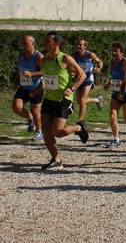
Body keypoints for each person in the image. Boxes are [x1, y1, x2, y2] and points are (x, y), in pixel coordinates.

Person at [39, 32, 88, 170]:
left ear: (57, 43)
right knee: (46, 131)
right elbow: (46, 77)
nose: (45, 43)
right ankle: (56, 159)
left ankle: (78, 128)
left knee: (58, 131)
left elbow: (82, 74)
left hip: (63, 99)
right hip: (48, 98)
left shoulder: (65, 58)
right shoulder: (44, 60)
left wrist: (72, 89)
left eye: (48, 41)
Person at [12, 35, 45, 141]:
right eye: (23, 43)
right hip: (23, 86)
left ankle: (39, 132)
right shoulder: (22, 55)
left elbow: (45, 71)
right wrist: (17, 81)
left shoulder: (38, 56)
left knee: (36, 111)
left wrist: (32, 74)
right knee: (16, 107)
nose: (24, 45)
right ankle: (30, 118)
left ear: (33, 44)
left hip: (36, 87)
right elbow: (20, 69)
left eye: (26, 43)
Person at [103, 42, 126, 148]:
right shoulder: (112, 63)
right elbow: (114, 76)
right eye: (113, 50)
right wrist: (109, 83)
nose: (114, 53)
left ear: (122, 52)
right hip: (115, 93)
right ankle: (116, 138)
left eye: (116, 51)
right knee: (112, 115)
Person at [72, 38, 104, 122]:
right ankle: (97, 99)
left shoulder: (90, 55)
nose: (78, 46)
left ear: (85, 46)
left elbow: (100, 61)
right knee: (80, 102)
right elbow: (70, 65)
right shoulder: (74, 55)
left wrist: (99, 68)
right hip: (78, 79)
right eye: (77, 44)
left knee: (82, 100)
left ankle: (80, 121)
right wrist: (71, 71)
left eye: (80, 45)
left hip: (88, 79)